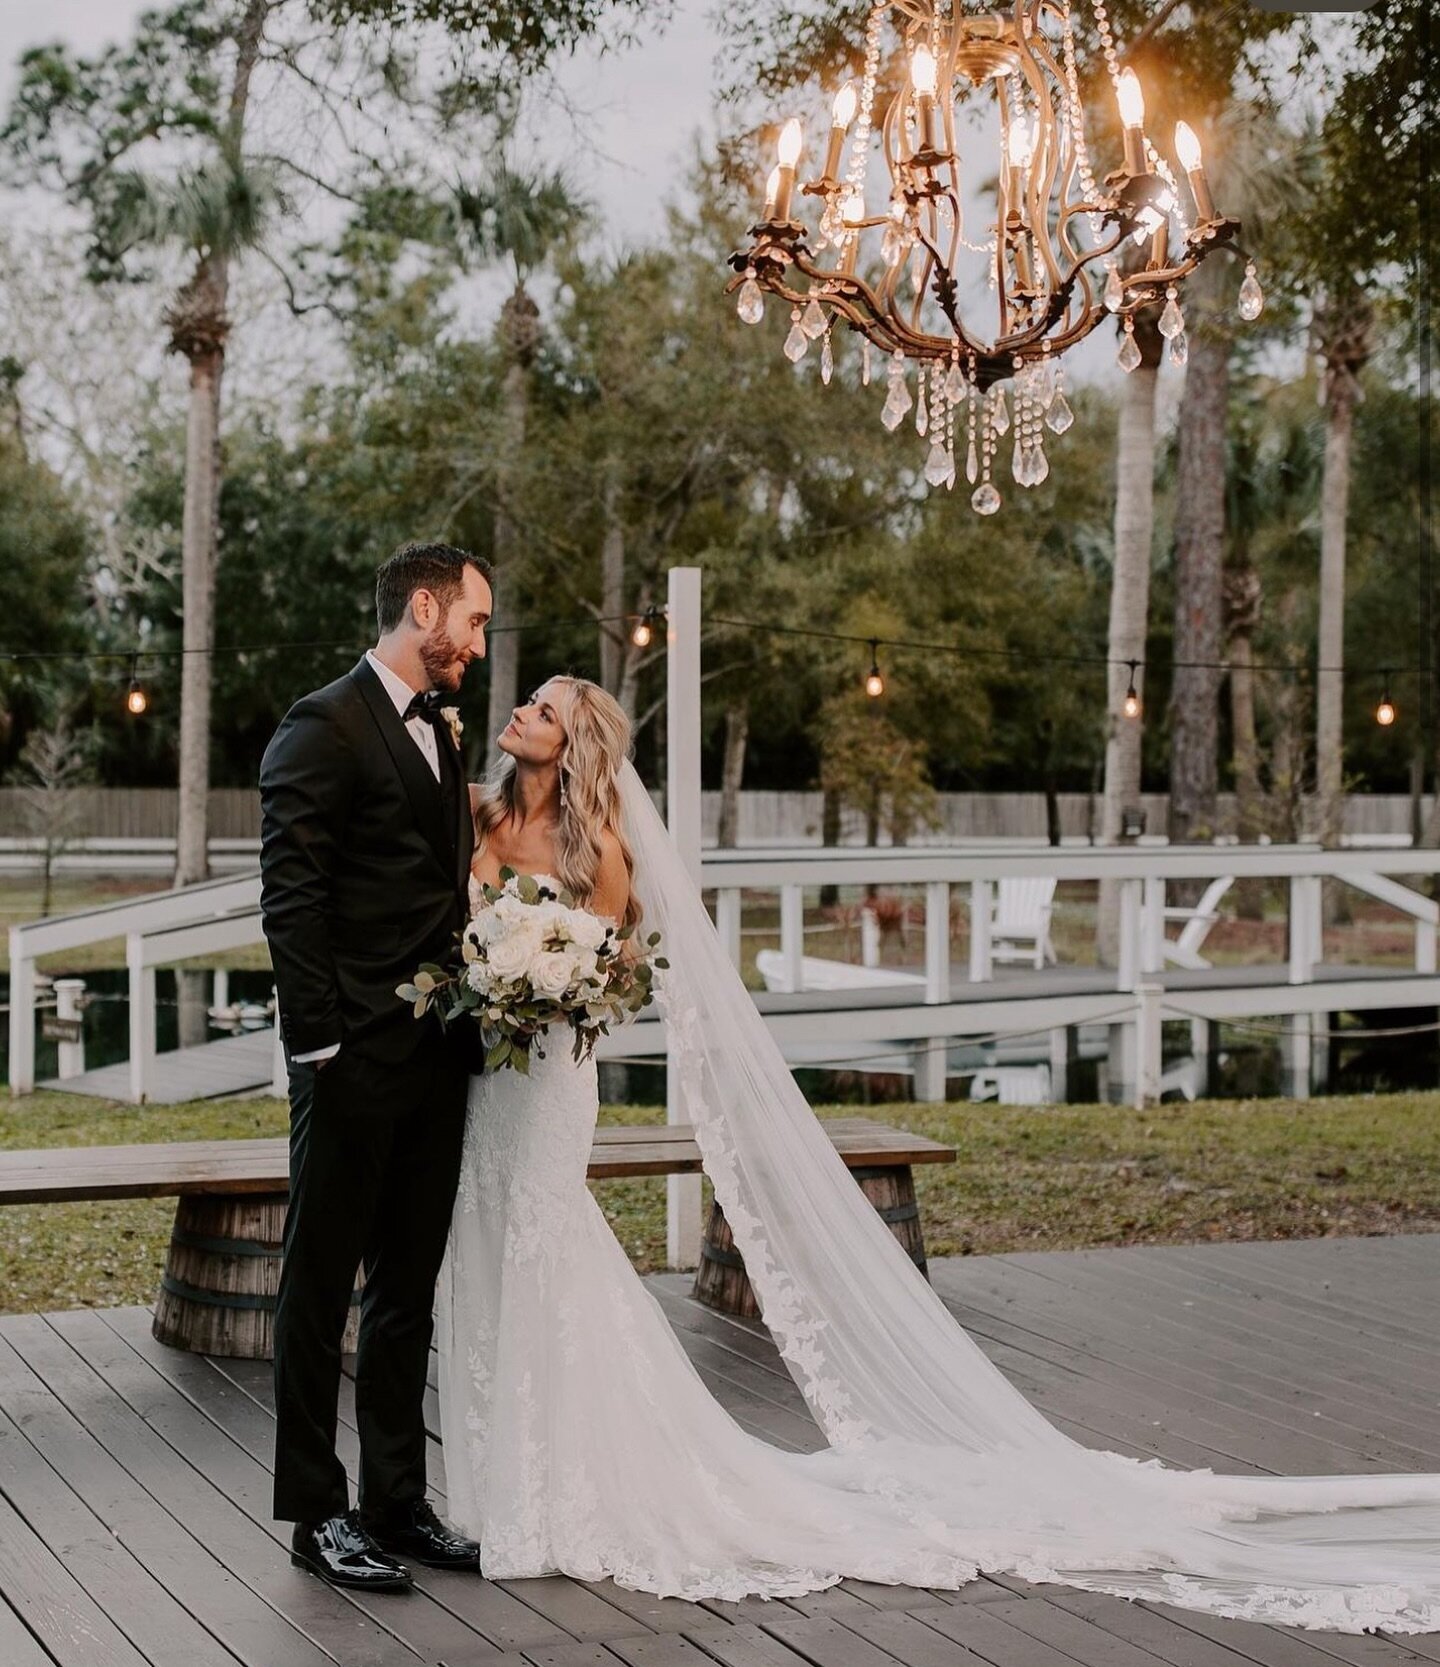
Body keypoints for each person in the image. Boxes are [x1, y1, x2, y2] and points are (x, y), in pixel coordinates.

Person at [437, 674, 1440, 1628]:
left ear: (576, 744)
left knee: (547, 1256)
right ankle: (497, 1480)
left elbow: (607, 980)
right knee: (484, 1257)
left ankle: (558, 1488)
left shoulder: (601, 849)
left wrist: (547, 984)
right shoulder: (479, 815)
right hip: (482, 1077)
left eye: (543, 708)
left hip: (552, 1080)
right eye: (528, 704)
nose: (520, 713)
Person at [260, 541, 493, 1592]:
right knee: (320, 1287)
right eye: (475, 624)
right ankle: (317, 1509)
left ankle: (396, 1498)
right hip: (349, 1056)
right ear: (424, 606)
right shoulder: (322, 723)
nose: (478, 648)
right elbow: (293, 896)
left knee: (408, 1287)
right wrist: (320, 1043)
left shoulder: (443, 727)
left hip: (440, 1057)